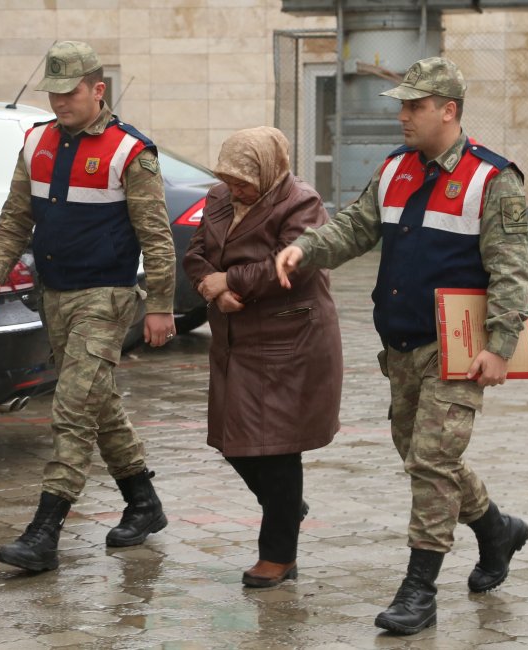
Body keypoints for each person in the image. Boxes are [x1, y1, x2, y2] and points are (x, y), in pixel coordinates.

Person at [276, 58, 528, 633]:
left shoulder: (494, 180)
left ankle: (419, 589)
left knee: (432, 463)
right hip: (401, 345)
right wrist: (306, 248)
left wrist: (501, 345)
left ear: (449, 110)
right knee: (421, 457)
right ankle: (496, 529)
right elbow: (354, 227)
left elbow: (512, 272)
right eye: (403, 104)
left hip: (457, 347)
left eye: (415, 106)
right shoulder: (395, 168)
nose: (403, 115)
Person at [0, 41, 176, 572]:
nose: (60, 102)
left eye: (70, 92)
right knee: (96, 401)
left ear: (97, 89)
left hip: (105, 299)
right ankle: (143, 502)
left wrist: (159, 305)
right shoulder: (36, 141)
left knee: (71, 412)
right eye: (54, 92)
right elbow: (15, 217)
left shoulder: (131, 152)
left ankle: (45, 531)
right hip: (54, 296)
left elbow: (157, 237)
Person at [183, 126, 343, 588]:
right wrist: (206, 285)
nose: (234, 189)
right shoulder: (218, 198)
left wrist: (228, 282)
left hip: (289, 340)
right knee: (233, 441)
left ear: (269, 171)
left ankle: (278, 555)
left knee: (276, 447)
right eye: (228, 179)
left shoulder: (300, 202)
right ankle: (286, 508)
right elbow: (195, 254)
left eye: (242, 182)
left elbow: (290, 264)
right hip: (235, 338)